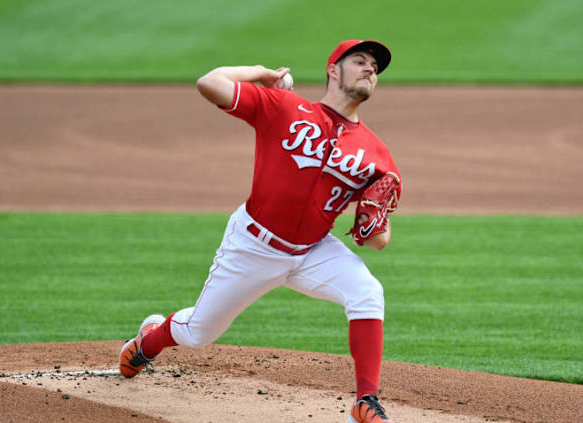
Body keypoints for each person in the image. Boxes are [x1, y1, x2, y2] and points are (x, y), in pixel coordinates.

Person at [119, 39, 402, 423]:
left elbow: (378, 240)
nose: (370, 69)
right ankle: (147, 341)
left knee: (368, 292)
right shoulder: (285, 107)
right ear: (333, 70)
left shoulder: (376, 153)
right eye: (359, 61)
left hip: (313, 252)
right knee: (199, 332)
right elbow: (209, 83)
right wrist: (263, 74)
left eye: (375, 66)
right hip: (253, 245)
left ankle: (366, 402)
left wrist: (375, 226)